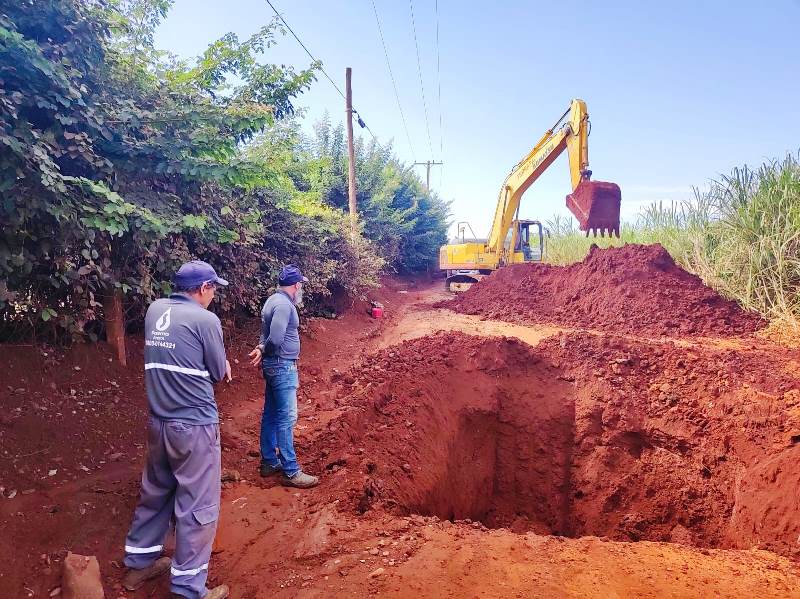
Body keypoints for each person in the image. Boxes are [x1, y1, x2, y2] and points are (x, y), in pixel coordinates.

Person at [122, 260, 232, 599]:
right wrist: (225, 363)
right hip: (195, 426)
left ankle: (138, 565)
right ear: (202, 289)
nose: (214, 295)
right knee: (198, 505)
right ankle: (188, 588)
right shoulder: (205, 319)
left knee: (156, 491)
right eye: (213, 288)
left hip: (159, 422)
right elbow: (217, 371)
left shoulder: (155, 310)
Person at [248, 264, 319, 489]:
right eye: (301, 285)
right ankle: (291, 470)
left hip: (274, 365)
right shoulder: (283, 305)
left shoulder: (272, 301)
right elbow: (276, 339)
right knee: (287, 417)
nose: (301, 289)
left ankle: (269, 461)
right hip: (281, 366)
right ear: (296, 285)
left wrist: (261, 348)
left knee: (271, 413)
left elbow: (265, 334)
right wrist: (266, 349)